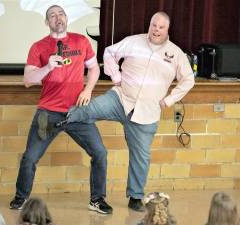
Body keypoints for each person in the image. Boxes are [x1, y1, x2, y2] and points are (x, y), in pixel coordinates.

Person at [57, 11, 195, 212]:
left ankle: (135, 197)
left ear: (167, 29)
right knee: (88, 109)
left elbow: (188, 80)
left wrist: (170, 99)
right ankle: (58, 120)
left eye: (161, 27)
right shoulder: (133, 41)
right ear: (150, 25)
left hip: (147, 113)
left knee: (141, 157)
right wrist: (116, 76)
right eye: (153, 25)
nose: (156, 30)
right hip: (121, 99)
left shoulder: (176, 54)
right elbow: (109, 52)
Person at [9, 4, 112, 214]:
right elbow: (28, 80)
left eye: (61, 14)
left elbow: (93, 68)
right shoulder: (38, 47)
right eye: (52, 15)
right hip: (48, 112)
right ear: (47, 22)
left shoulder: (81, 41)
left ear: (66, 18)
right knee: (30, 158)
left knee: (100, 152)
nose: (58, 17)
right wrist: (47, 67)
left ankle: (97, 199)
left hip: (78, 111)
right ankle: (21, 197)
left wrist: (88, 90)